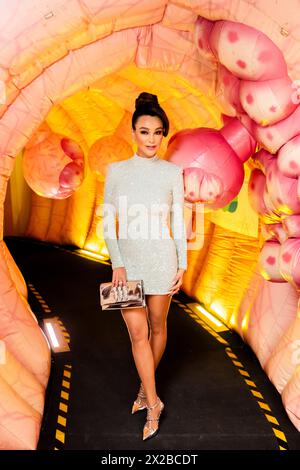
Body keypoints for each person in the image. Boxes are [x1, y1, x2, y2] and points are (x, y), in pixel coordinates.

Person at [103, 92, 187, 441]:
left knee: (158, 326)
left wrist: (182, 263)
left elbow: (179, 221)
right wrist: (117, 264)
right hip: (128, 266)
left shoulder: (172, 172)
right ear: (133, 132)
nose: (151, 138)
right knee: (137, 334)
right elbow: (108, 223)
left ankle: (143, 389)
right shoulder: (116, 171)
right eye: (144, 131)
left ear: (164, 135)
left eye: (157, 132)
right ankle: (154, 403)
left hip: (163, 259)